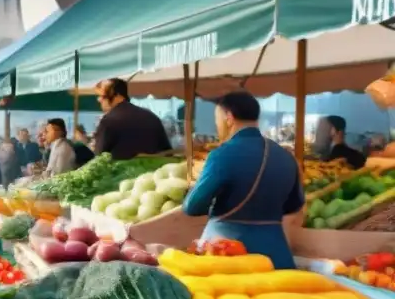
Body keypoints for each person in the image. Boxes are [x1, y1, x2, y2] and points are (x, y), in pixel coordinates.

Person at [182, 91, 304, 269]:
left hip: (228, 253)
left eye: (217, 118)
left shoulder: (222, 155)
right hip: (275, 256)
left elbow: (192, 207)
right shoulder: (286, 156)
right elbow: (294, 205)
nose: (217, 125)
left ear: (228, 117)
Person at [93, 78, 172, 160]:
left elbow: (98, 158)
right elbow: (167, 153)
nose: (99, 100)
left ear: (117, 95)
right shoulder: (151, 117)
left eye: (102, 96)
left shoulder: (109, 120)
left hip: (120, 172)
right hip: (152, 171)